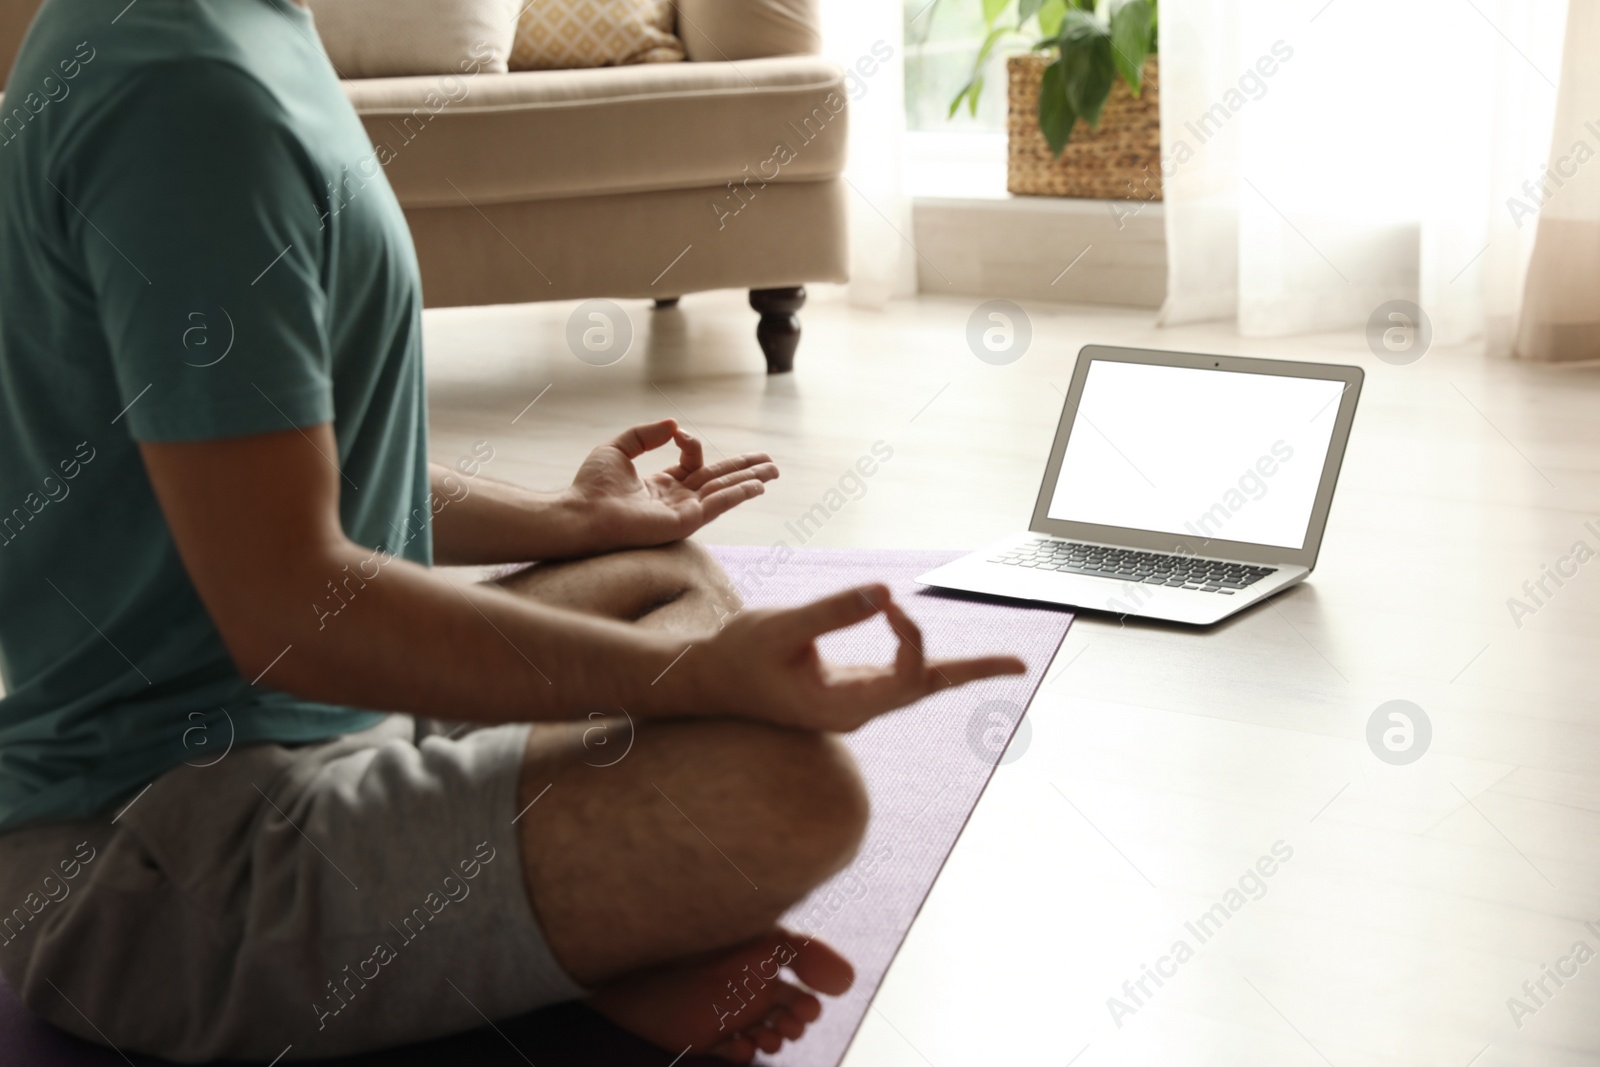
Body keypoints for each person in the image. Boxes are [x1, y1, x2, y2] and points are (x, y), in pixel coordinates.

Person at [0, 0, 1025, 1061]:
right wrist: (694, 683)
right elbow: (288, 606)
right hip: (163, 853)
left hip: (330, 725)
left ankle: (548, 942)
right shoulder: (186, 101)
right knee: (792, 795)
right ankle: (576, 965)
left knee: (651, 572)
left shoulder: (240, 31)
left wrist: (567, 520)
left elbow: (295, 468)